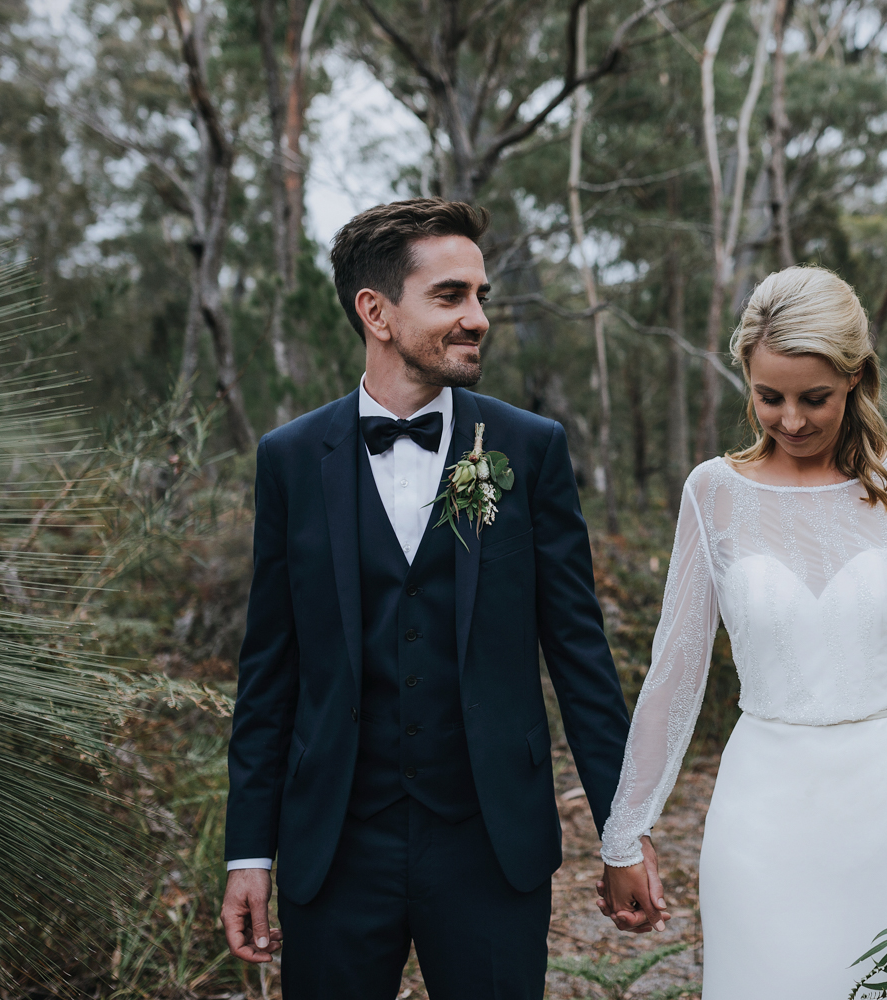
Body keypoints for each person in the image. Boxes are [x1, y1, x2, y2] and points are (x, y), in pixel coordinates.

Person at [219, 198, 640, 1000]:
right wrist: (249, 854)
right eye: (450, 296)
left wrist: (623, 834)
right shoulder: (291, 459)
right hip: (335, 845)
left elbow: (581, 656)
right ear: (375, 311)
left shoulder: (531, 449)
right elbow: (268, 672)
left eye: (480, 296)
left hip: (490, 840)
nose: (477, 318)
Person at [597, 266, 887, 997]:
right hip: (764, 811)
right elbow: (675, 670)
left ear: (855, 378)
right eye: (769, 396)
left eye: (813, 397)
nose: (790, 419)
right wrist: (626, 831)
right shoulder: (714, 492)